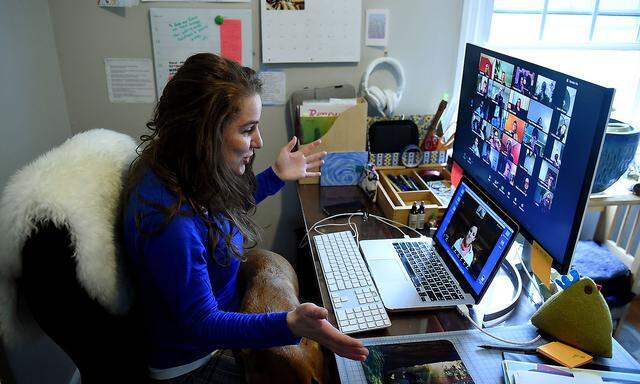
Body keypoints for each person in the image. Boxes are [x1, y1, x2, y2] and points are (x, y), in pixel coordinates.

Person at [122, 53, 367, 382]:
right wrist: (288, 325)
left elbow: (222, 205)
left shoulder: (184, 170)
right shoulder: (169, 222)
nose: (259, 141)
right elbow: (204, 324)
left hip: (221, 322)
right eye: (248, 129)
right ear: (202, 134)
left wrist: (276, 175)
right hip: (195, 362)